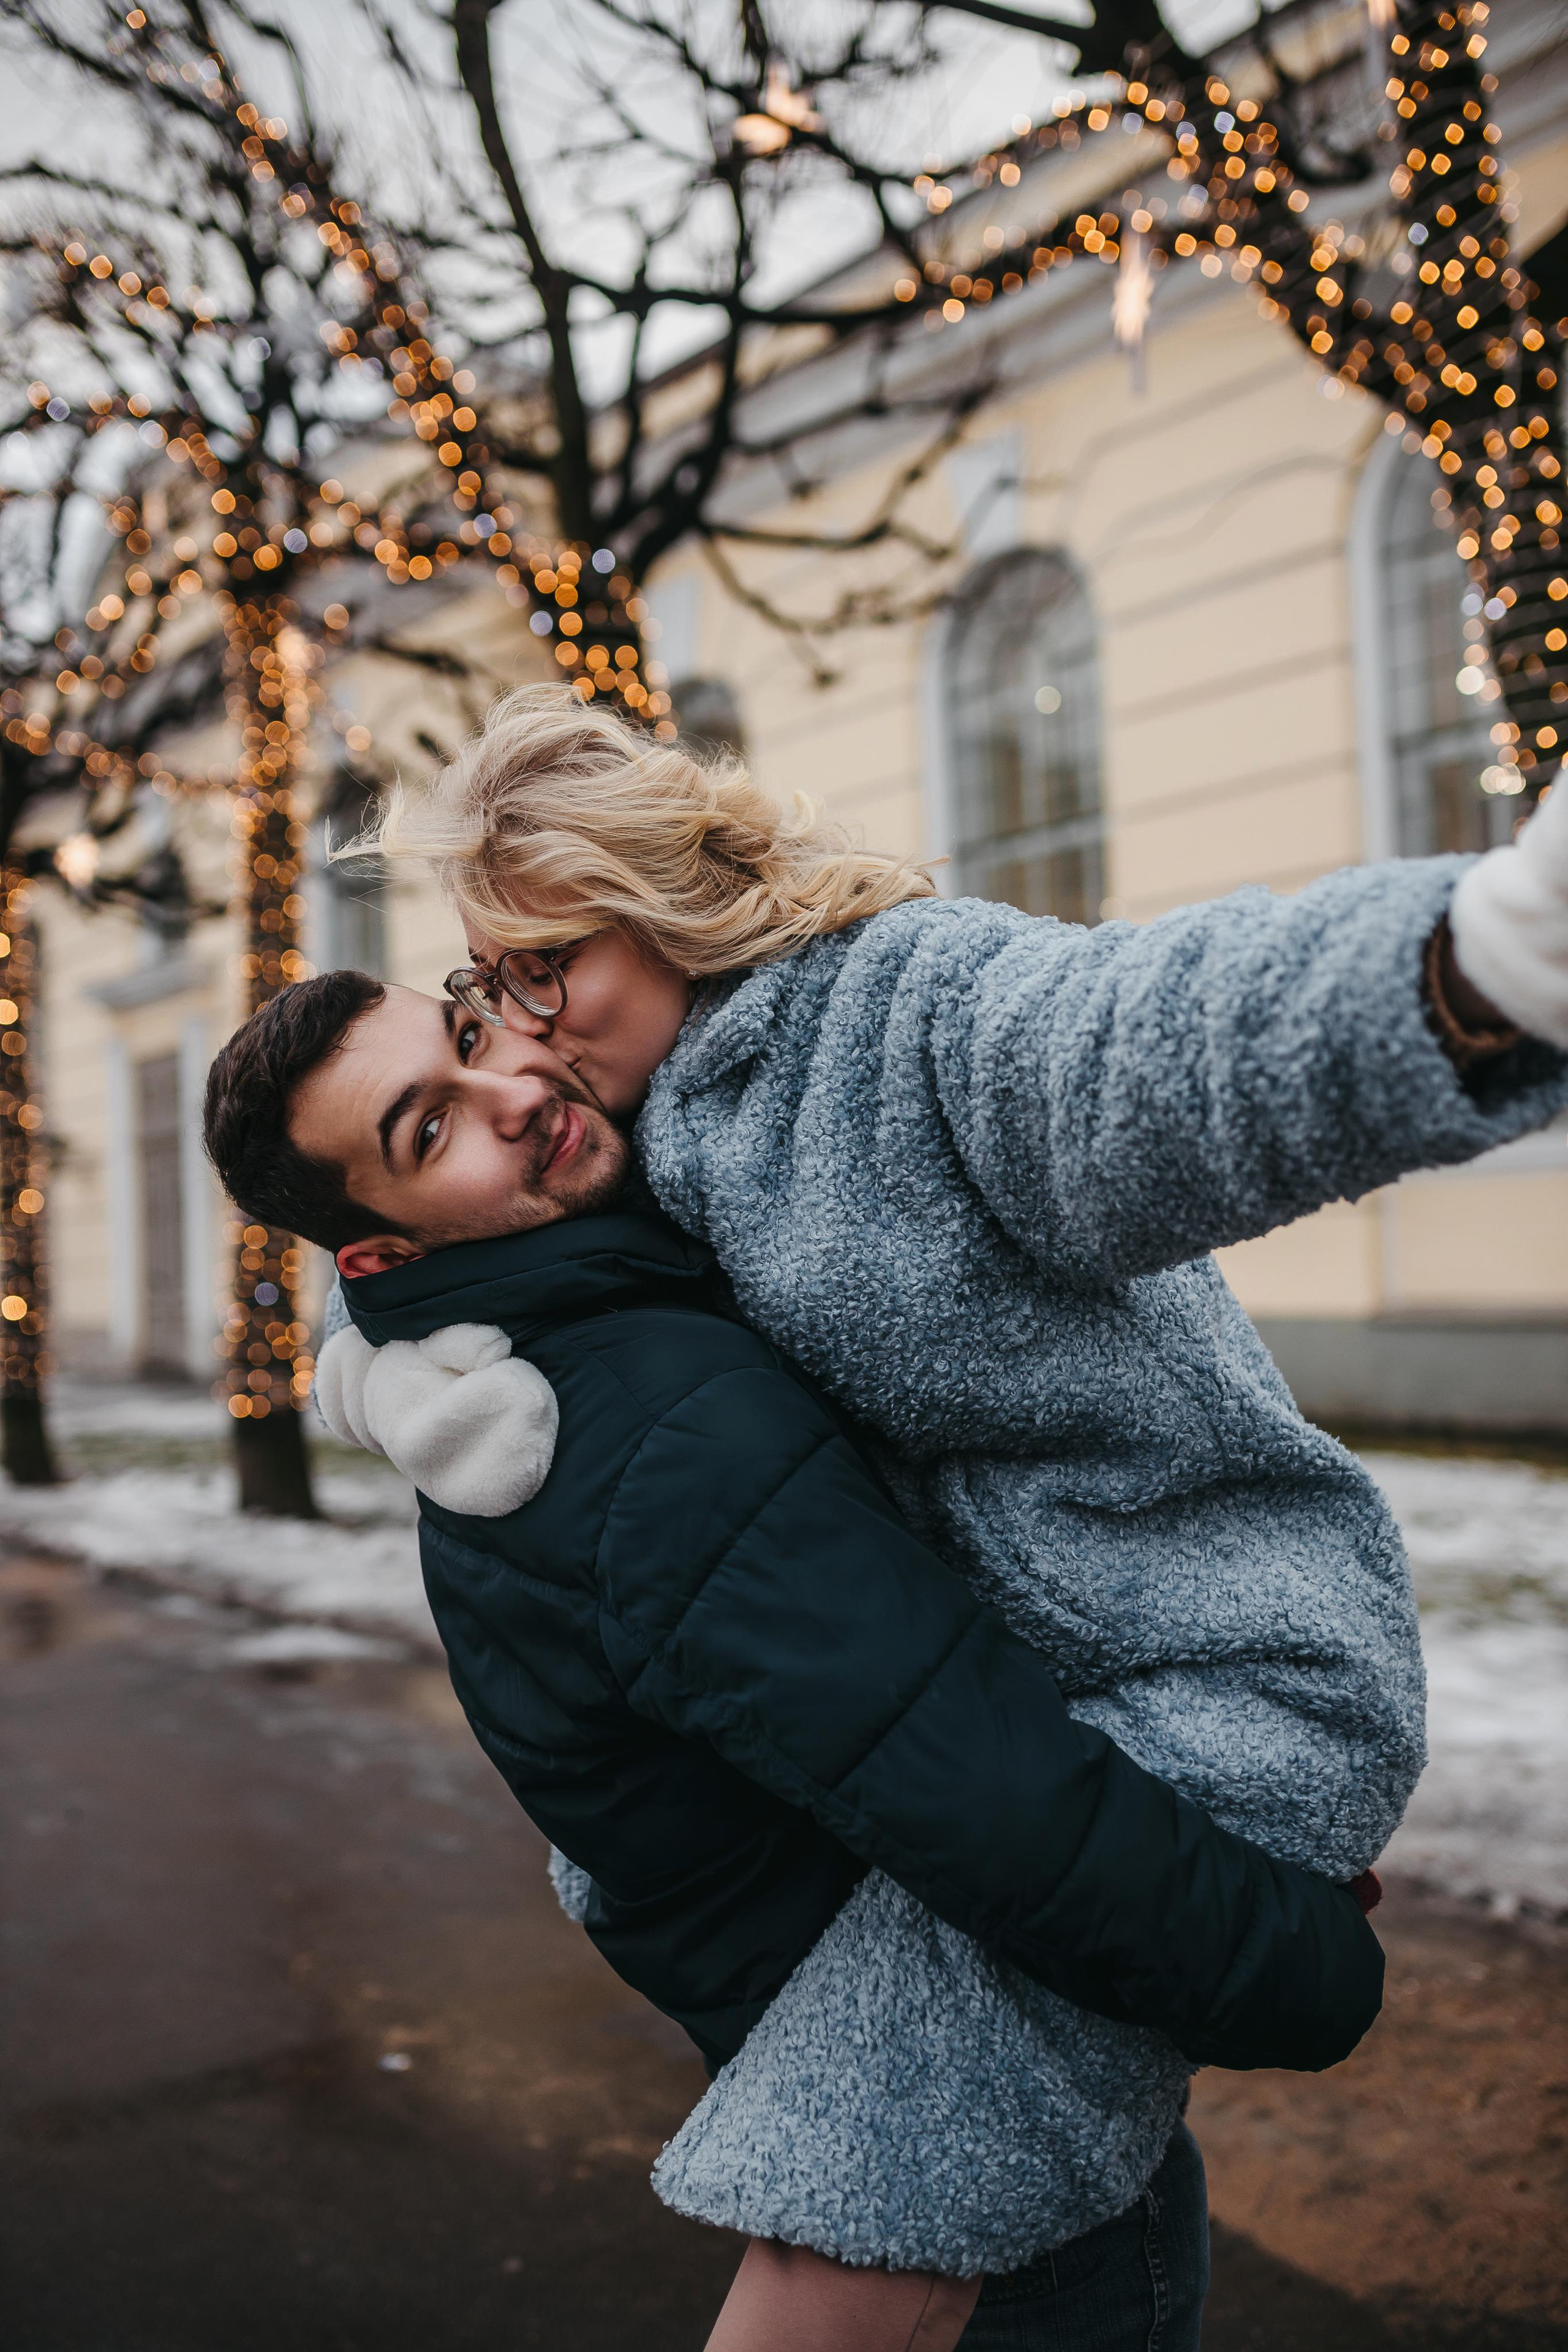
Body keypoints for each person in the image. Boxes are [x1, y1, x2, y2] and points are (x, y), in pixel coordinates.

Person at [325, 680, 1568, 2340]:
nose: (528, 1031)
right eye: (494, 984)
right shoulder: (636, 1144)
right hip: (1015, 1758)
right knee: (1067, 2257)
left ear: (661, 903)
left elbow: (1150, 1041)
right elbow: (458, 1243)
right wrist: (385, 1346)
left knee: (827, 2262)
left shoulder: (895, 1020)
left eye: (554, 967)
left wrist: (1480, 964)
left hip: (1209, 1691)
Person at [203, 970, 1387, 2352]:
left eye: (471, 1039)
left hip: (879, 2038)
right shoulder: (645, 1431)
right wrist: (1295, 1957)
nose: (518, 1096)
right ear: (381, 1258)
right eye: (430, 1130)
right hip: (942, 2098)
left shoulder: (530, 1361)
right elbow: (979, 1794)